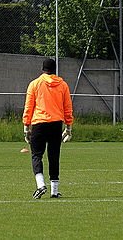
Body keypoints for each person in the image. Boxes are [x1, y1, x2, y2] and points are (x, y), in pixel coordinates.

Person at [23, 57, 73, 199]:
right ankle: (54, 191)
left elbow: (28, 107)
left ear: (42, 69)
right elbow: (67, 107)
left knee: (36, 154)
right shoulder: (63, 85)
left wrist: (26, 127)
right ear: (55, 69)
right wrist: (68, 127)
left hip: (39, 123)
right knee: (54, 155)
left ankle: (40, 185)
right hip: (56, 123)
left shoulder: (34, 84)